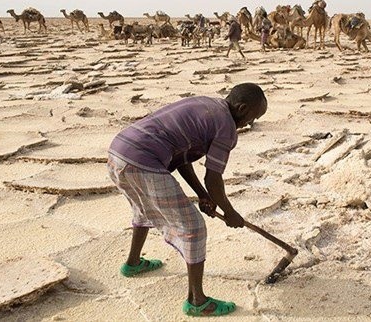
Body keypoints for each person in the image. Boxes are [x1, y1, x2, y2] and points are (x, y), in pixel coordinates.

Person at [107, 83, 268, 317]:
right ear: (242, 109)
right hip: (143, 162)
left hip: (118, 152)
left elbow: (182, 157)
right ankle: (197, 301)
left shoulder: (208, 104)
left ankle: (133, 263)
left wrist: (202, 194)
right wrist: (230, 212)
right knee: (193, 227)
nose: (250, 124)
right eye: (253, 118)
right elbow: (213, 177)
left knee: (143, 209)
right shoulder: (226, 127)